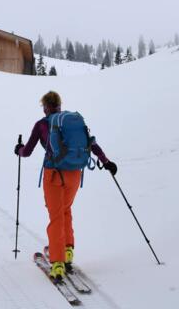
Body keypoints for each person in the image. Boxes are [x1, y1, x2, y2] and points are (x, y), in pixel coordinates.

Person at [14, 91, 117, 281]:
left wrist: (18, 150)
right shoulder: (72, 121)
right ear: (59, 105)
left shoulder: (42, 124)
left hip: (54, 175)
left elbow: (26, 152)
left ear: (45, 107)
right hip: (75, 173)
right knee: (65, 211)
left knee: (55, 216)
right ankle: (67, 251)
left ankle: (58, 262)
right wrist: (107, 162)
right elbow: (91, 144)